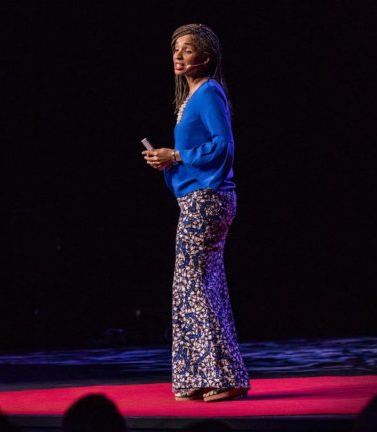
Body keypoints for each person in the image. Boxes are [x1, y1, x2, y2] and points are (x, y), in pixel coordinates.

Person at [142, 23, 250, 402]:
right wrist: (169, 161)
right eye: (176, 49)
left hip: (208, 199)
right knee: (197, 285)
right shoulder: (191, 98)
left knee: (196, 285)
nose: (178, 55)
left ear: (205, 58)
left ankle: (223, 377)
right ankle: (203, 377)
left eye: (187, 50)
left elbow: (224, 146)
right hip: (196, 198)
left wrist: (177, 155)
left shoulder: (209, 93)